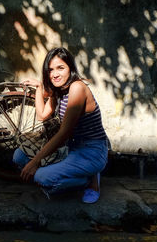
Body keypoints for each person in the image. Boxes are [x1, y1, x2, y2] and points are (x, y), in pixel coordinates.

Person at [13, 47, 108, 204]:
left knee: (41, 177)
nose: (55, 74)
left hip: (91, 151)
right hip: (70, 149)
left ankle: (89, 179)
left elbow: (64, 132)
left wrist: (35, 162)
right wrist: (39, 88)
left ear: (70, 67)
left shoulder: (77, 88)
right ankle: (76, 173)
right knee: (19, 156)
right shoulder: (59, 91)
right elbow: (42, 115)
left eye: (60, 68)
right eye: (50, 70)